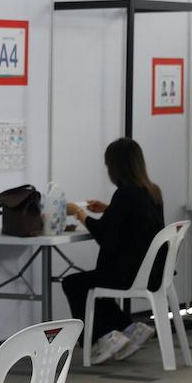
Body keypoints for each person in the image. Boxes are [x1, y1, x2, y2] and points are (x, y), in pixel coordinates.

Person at [62, 138, 165, 364]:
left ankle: (105, 336)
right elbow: (138, 221)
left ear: (115, 167)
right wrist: (109, 209)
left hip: (128, 274)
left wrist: (79, 213)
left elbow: (106, 237)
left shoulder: (125, 194)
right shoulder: (152, 191)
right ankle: (128, 329)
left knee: (73, 283)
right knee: (92, 283)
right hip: (153, 272)